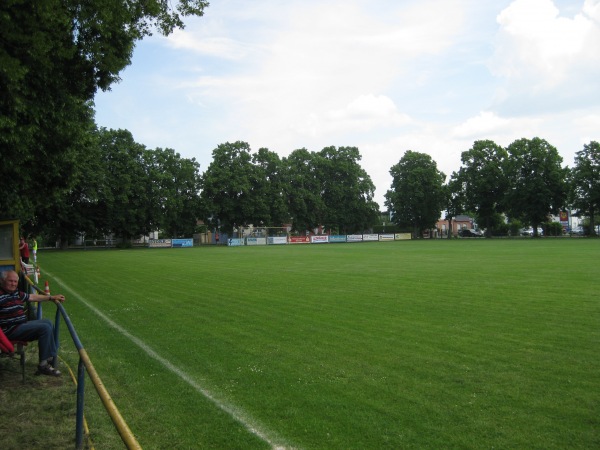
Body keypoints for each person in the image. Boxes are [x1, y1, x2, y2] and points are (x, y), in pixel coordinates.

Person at [0, 270, 66, 376]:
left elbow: (32, 297)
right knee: (44, 328)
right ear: (2, 281)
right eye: (10, 281)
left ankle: (49, 358)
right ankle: (44, 365)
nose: (13, 284)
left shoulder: (16, 293)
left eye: (15, 281)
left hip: (21, 325)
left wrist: (51, 297)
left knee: (48, 322)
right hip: (10, 330)